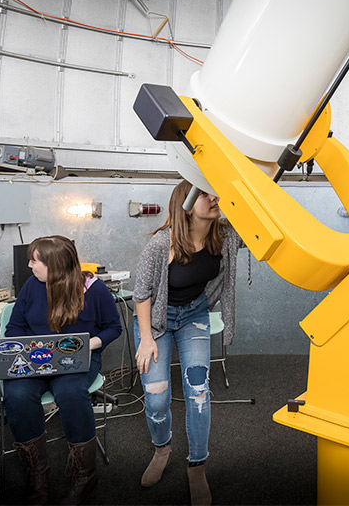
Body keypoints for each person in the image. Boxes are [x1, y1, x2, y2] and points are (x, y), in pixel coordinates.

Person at [133, 179, 244, 506]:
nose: (214, 197)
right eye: (205, 193)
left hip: (194, 313)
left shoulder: (225, 236)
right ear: (185, 203)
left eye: (215, 191)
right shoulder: (161, 244)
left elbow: (256, 225)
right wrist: (146, 339)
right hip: (157, 320)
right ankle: (162, 449)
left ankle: (197, 466)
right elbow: (142, 294)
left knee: (197, 392)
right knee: (156, 396)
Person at [3, 235, 122, 505]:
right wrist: (21, 350)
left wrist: (87, 345)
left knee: (70, 393)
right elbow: (15, 327)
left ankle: (85, 479)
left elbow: (114, 327)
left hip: (78, 359)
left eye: (35, 261)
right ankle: (37, 479)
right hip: (35, 359)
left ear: (55, 265)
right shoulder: (32, 286)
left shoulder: (94, 289)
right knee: (17, 394)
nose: (31, 266)